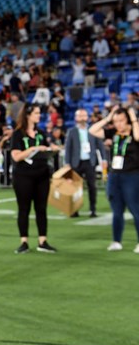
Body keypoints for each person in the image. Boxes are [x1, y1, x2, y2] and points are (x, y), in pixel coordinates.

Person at [10, 103, 60, 253]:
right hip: (23, 176)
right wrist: (33, 149)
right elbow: (16, 156)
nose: (39, 116)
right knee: (24, 209)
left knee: (41, 208)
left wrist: (52, 150)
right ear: (28, 115)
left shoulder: (41, 133)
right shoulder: (18, 134)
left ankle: (42, 240)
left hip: (42, 175)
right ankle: (24, 241)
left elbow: (45, 148)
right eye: (36, 113)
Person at [90, 106, 139, 252]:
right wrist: (108, 117)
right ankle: (116, 241)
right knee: (116, 211)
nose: (118, 124)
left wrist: (134, 118)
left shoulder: (134, 131)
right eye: (116, 121)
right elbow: (92, 131)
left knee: (135, 209)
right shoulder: (113, 133)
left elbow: (138, 137)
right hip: (114, 175)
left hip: (132, 175)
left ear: (128, 121)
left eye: (121, 120)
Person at [64, 108, 107, 218]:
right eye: (80, 115)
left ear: (87, 117)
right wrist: (67, 163)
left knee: (92, 186)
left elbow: (100, 146)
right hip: (76, 163)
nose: (82, 118)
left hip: (90, 162)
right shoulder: (72, 131)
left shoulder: (93, 130)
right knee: (75, 188)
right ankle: (74, 210)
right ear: (76, 118)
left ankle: (93, 209)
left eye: (84, 115)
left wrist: (104, 159)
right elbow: (68, 148)